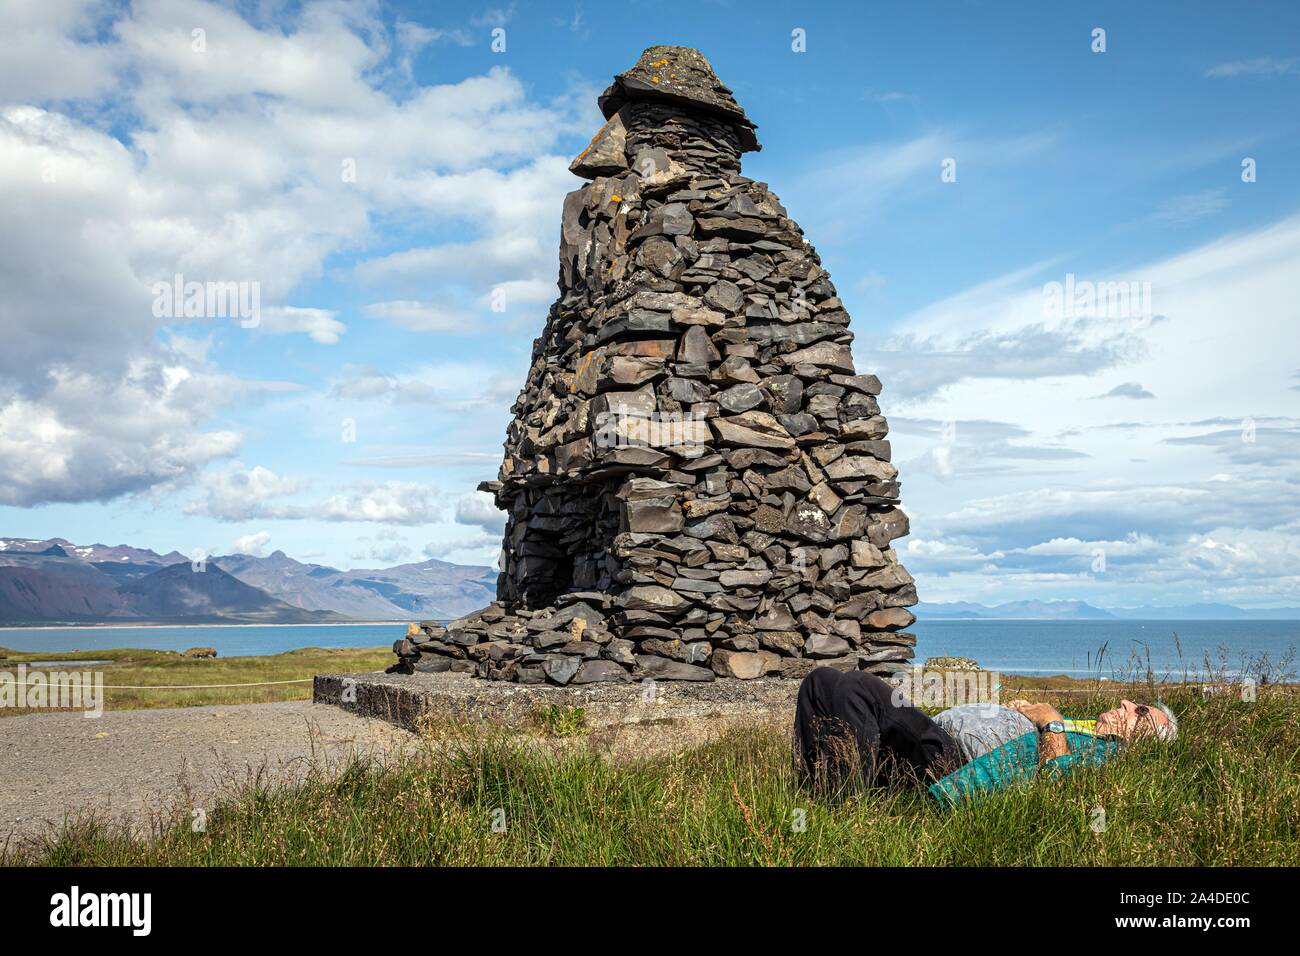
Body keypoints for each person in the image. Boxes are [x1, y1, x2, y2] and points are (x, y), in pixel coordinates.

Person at [793, 667, 1177, 808]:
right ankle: (825, 786)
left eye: (1140, 711)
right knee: (820, 682)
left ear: (1142, 738)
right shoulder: (1087, 730)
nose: (1128, 702)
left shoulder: (1109, 756)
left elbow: (1058, 783)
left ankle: (842, 806)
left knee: (859, 686)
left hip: (955, 763)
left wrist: (1050, 721)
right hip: (940, 740)